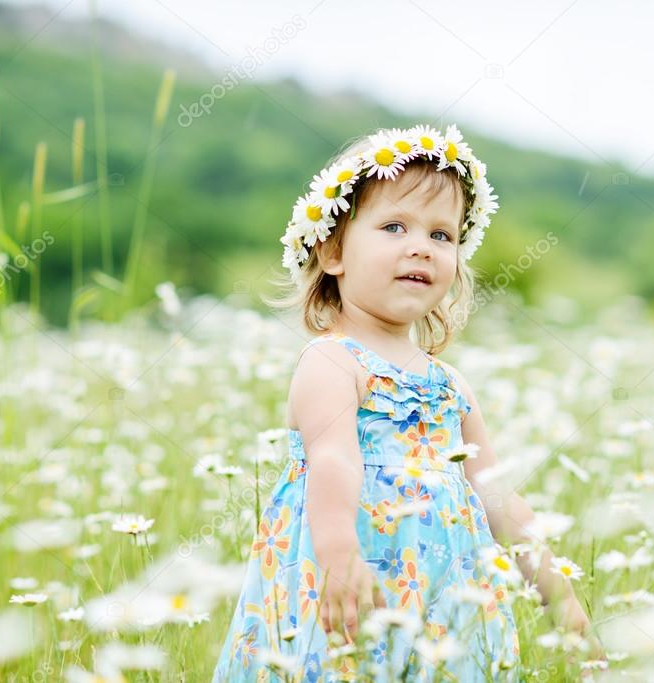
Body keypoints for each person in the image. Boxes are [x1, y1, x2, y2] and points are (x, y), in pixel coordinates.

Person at [212, 124, 600, 682]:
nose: (421, 245)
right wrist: (340, 555)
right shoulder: (333, 363)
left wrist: (558, 596)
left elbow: (494, 492)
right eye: (394, 226)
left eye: (442, 235)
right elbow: (334, 461)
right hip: (351, 589)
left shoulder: (449, 384)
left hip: (445, 601)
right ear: (333, 251)